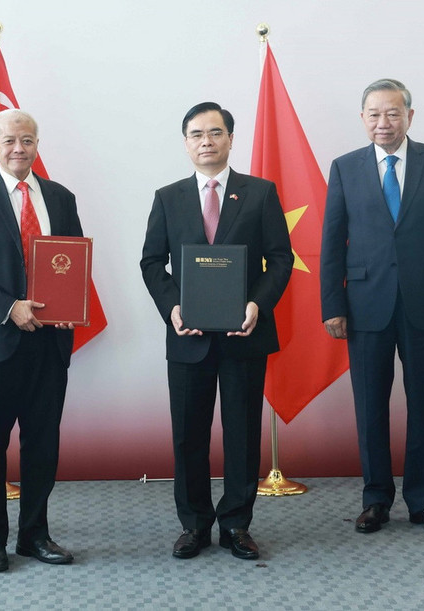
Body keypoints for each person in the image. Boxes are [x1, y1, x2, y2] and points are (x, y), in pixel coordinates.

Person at [140, 102, 293, 560]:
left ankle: (236, 526)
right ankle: (194, 525)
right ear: (186, 142)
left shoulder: (260, 193)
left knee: (243, 433)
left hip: (243, 335)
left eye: (215, 132)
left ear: (230, 138)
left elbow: (281, 259)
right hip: (188, 338)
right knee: (189, 434)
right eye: (196, 134)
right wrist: (172, 308)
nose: (206, 141)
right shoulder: (168, 197)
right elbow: (151, 262)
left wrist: (257, 305)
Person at [320, 79, 424, 535]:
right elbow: (330, 243)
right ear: (362, 118)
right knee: (370, 406)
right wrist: (333, 305)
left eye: (392, 113)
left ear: (409, 115)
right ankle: (376, 498)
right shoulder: (345, 167)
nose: (383, 122)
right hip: (365, 305)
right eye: (373, 114)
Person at [0, 109, 81, 573]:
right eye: (9, 141)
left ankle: (35, 535)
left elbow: (72, 265)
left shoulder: (61, 199)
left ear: (38, 143)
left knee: (43, 443)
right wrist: (10, 306)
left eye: (27, 140)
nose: (19, 149)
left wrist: (70, 309)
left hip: (49, 345)